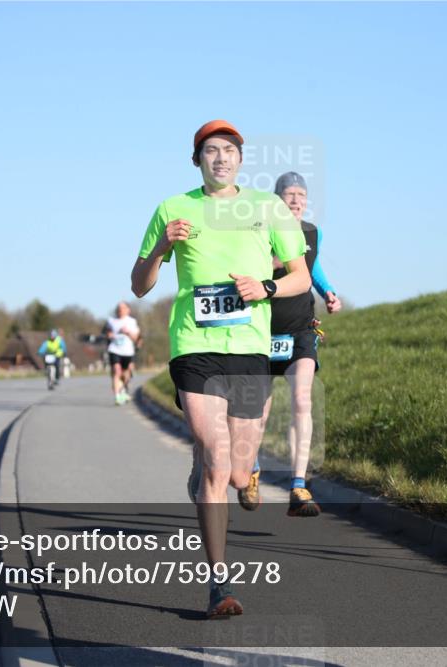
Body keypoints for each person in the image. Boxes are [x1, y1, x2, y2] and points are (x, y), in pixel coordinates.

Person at [131, 120, 310, 618]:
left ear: (240, 159)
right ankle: (219, 583)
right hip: (195, 347)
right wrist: (163, 247)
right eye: (211, 150)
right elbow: (140, 284)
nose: (221, 158)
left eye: (229, 150)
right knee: (215, 460)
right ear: (198, 160)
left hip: (249, 348)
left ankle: (213, 464)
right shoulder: (173, 208)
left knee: (235, 474)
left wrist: (266, 288)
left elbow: (298, 277)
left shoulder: (268, 208)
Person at [238, 171, 342, 517]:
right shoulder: (260, 231)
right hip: (263, 331)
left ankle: (299, 485)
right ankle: (251, 471)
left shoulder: (313, 233)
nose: (296, 199)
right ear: (276, 200)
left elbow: (312, 268)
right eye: (289, 194)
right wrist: (278, 262)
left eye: (301, 194)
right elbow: (246, 268)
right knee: (260, 410)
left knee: (302, 401)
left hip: (300, 329)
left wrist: (327, 292)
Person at [104, 301, 140, 405]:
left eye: (123, 308)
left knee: (126, 374)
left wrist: (127, 332)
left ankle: (122, 390)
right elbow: (106, 333)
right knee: (117, 371)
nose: (120, 310)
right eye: (119, 308)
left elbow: (136, 338)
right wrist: (109, 334)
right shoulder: (111, 321)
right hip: (114, 350)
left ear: (128, 310)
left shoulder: (132, 322)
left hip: (127, 351)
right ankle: (117, 397)